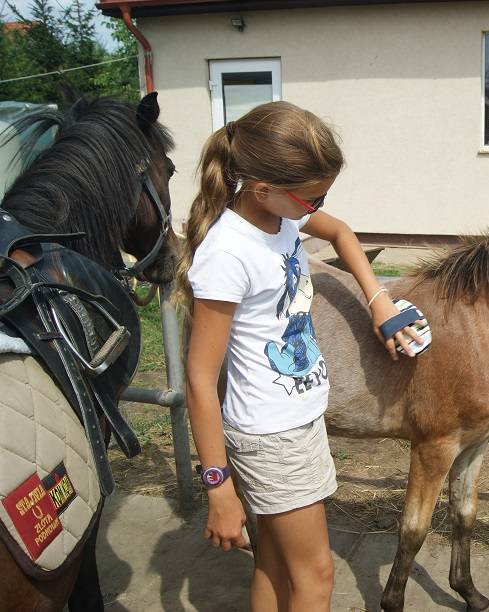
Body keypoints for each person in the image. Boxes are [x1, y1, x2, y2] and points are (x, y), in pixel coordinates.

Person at [174, 101, 422, 612]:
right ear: (262, 187)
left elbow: (341, 233)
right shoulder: (227, 254)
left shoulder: (278, 216)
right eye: (311, 197)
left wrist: (378, 301)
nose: (317, 207)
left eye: (322, 195)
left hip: (298, 419)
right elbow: (200, 379)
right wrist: (217, 485)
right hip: (271, 436)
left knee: (276, 563)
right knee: (317, 576)